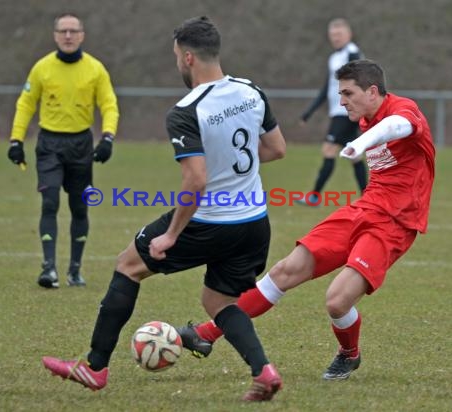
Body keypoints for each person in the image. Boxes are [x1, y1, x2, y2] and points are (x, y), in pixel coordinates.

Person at [41, 16, 286, 401]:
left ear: (188, 58)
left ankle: (94, 368)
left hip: (209, 221)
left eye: (176, 57)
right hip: (254, 221)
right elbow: (276, 149)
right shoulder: (251, 91)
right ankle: (264, 371)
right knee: (218, 301)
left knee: (128, 265)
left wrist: (171, 235)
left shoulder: (186, 110)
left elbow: (196, 181)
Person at [178, 59, 436, 381]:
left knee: (337, 302)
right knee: (285, 270)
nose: (341, 101)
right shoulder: (366, 116)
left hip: (395, 223)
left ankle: (349, 354)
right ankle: (205, 334)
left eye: (347, 93)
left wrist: (360, 144)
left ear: (372, 91)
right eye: (339, 94)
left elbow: (399, 127)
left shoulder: (402, 110)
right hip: (364, 208)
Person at [7, 13, 119, 288]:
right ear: (55, 35)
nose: (68, 36)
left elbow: (109, 105)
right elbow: (26, 104)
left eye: (73, 31)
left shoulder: (95, 69)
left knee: (79, 208)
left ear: (82, 35)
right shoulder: (42, 68)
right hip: (49, 144)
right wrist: (16, 140)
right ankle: (48, 269)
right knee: (50, 202)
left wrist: (107, 138)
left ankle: (74, 270)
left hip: (81, 145)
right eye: (63, 31)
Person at [297, 18, 367, 206]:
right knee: (354, 155)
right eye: (333, 35)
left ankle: (314, 197)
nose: (335, 38)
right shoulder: (333, 58)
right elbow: (326, 87)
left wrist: (358, 107)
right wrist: (309, 112)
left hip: (346, 112)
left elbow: (360, 81)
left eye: (339, 34)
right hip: (337, 111)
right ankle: (369, 197)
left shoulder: (352, 53)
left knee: (329, 149)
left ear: (348, 34)